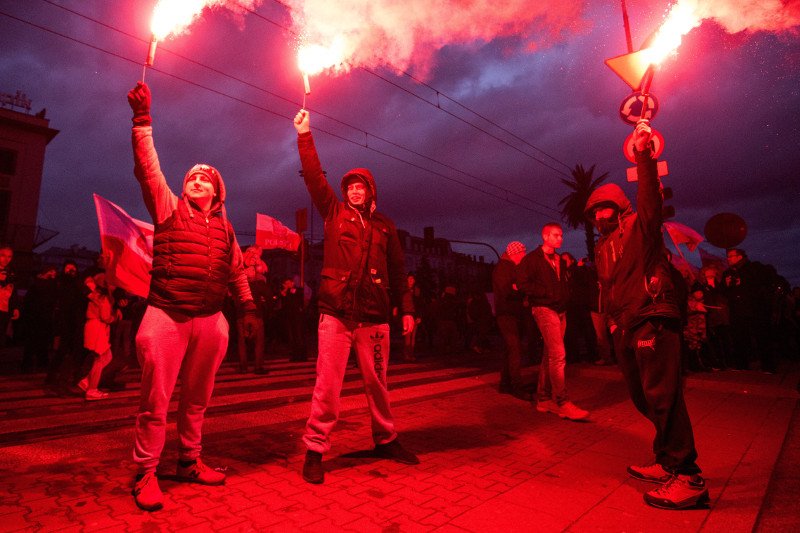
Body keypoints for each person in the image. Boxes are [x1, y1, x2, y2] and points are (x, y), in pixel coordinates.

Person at [127, 82, 259, 511]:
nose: (196, 180)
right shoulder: (168, 208)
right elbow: (149, 170)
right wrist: (143, 122)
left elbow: (237, 270)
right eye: (191, 177)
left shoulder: (225, 228)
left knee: (197, 398)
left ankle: (188, 461)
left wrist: (248, 307)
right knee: (156, 400)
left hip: (210, 319)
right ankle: (145, 471)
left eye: (205, 178)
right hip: (167, 314)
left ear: (217, 193)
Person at [584, 120, 707, 510]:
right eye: (595, 210)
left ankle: (688, 477)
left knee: (663, 395)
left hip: (653, 314)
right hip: (629, 324)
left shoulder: (641, 225)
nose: (601, 213)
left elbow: (650, 199)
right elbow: (609, 287)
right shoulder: (602, 247)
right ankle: (667, 460)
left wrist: (643, 153)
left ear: (619, 206)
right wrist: (615, 322)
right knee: (643, 397)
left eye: (606, 206)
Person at [293, 108, 418, 485]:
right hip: (336, 314)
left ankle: (386, 439)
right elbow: (316, 179)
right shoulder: (334, 213)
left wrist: (407, 307)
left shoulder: (385, 227)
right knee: (327, 386)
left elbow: (398, 271)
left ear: (372, 192)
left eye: (361, 186)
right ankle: (315, 449)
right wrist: (304, 135)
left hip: (375, 317)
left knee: (378, 383)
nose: (354, 190)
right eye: (350, 186)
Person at [518, 223, 589, 421]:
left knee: (550, 355)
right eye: (556, 235)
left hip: (560, 309)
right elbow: (522, 283)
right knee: (558, 355)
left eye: (561, 235)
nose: (560, 239)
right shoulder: (532, 259)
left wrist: (564, 297)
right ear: (545, 236)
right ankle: (562, 401)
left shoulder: (560, 260)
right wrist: (545, 293)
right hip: (543, 308)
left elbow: (562, 283)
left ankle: (543, 399)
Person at [493, 241, 530, 400]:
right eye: (522, 253)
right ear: (515, 253)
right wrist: (519, 291)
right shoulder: (504, 268)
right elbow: (506, 290)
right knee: (514, 349)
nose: (524, 256)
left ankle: (505, 384)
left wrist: (517, 288)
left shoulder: (508, 267)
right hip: (508, 314)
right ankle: (516, 386)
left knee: (509, 350)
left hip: (510, 314)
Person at [77, 273, 119, 400]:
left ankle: (86, 381)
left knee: (107, 356)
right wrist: (115, 317)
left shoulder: (96, 296)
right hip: (97, 327)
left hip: (94, 326)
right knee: (100, 359)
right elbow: (106, 317)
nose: (115, 286)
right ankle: (92, 390)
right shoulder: (103, 298)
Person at [0, 245, 19, 348]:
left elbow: (13, 291)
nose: (6, 259)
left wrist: (15, 307)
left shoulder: (11, 272)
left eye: (9, 256)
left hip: (4, 309)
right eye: (3, 255)